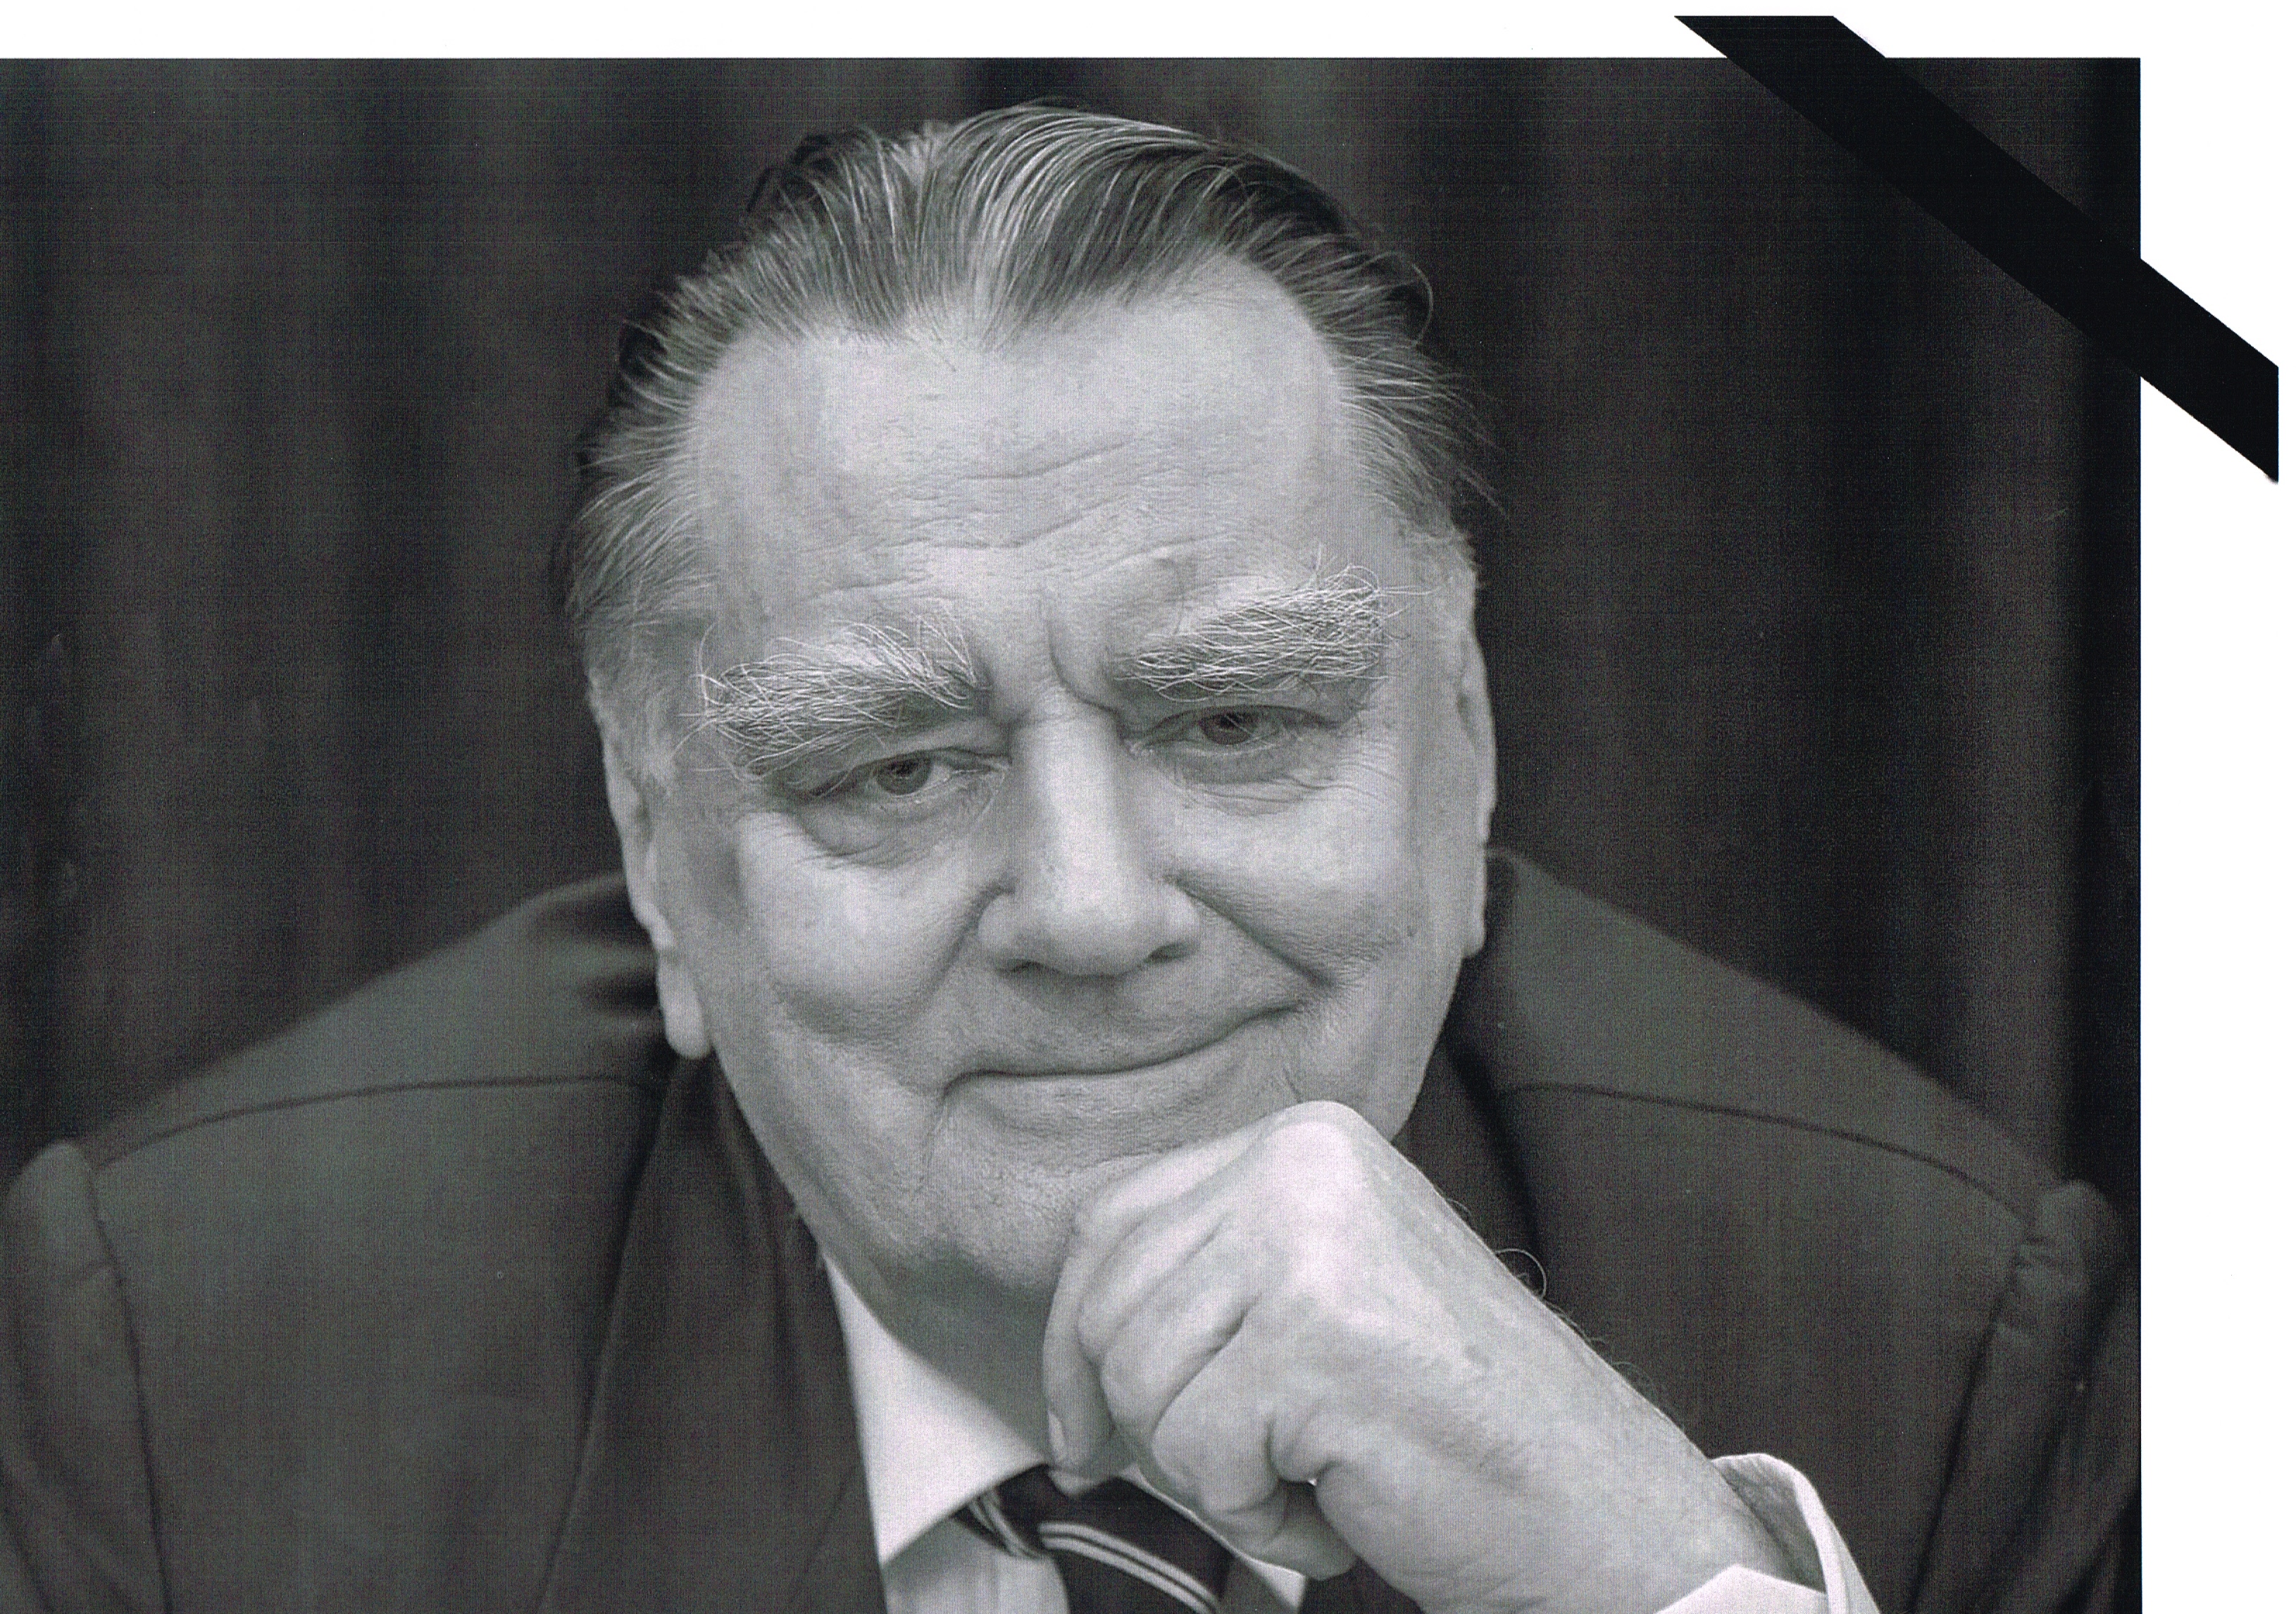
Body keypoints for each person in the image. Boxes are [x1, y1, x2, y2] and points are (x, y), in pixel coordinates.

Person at [0, 108, 2134, 1614]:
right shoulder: (198, 1375)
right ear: (659, 857)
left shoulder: (1935, 1332)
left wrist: (1670, 1589)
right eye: (894, 766)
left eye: (1233, 722)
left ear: (1465, 750)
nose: (1095, 913)